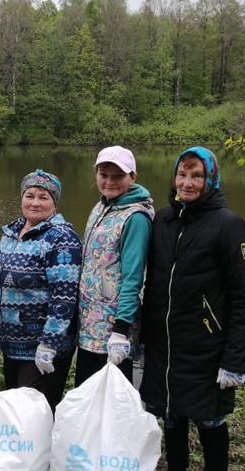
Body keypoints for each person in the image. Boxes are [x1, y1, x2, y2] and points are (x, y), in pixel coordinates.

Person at [139, 147, 245, 471]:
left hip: (206, 348)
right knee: (172, 417)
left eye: (197, 176)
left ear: (211, 179)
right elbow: (153, 286)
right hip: (166, 346)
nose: (188, 183)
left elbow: (244, 299)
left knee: (210, 421)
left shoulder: (228, 225)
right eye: (182, 174)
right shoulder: (163, 218)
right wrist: (143, 339)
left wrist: (234, 360)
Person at [0, 169, 82, 413]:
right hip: (10, 347)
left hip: (41, 350)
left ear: (54, 202)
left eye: (44, 197)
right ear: (21, 198)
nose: (35, 203)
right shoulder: (11, 234)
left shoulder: (61, 239)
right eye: (30, 195)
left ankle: (47, 453)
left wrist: (49, 344)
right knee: (15, 418)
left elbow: (65, 296)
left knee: (34, 418)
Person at [75, 146, 154, 387]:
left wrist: (121, 330)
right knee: (86, 397)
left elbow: (133, 278)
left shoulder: (135, 217)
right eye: (103, 174)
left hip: (112, 331)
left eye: (118, 176)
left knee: (113, 404)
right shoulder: (101, 207)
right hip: (89, 326)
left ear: (133, 177)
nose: (110, 181)